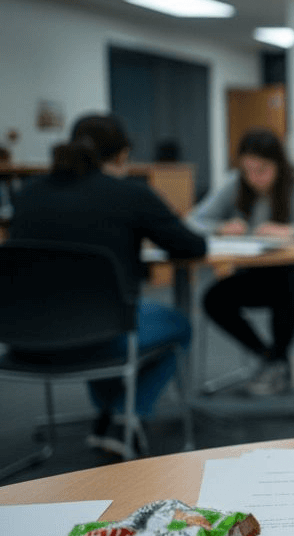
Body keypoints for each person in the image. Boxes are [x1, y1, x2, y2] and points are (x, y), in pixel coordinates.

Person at [6, 113, 206, 456]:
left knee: (91, 315)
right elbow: (192, 246)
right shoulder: (130, 195)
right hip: (99, 337)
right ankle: (127, 414)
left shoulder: (26, 194)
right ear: (122, 155)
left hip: (23, 341)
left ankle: (111, 412)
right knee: (177, 326)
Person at [187, 128, 294, 396]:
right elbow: (193, 221)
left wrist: (292, 231)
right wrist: (221, 227)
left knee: (286, 288)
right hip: (259, 271)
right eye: (247, 170)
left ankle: (276, 362)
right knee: (214, 298)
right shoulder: (236, 184)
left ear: (279, 164)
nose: (254, 178)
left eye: (261, 170)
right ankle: (273, 358)